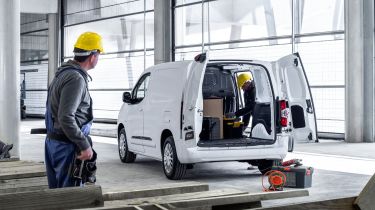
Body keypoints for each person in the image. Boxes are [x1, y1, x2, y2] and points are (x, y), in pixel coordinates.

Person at [44, 32, 103, 188]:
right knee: (71, 198)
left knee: (59, 196)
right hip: (66, 146)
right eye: (99, 54)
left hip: (55, 143)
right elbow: (66, 117)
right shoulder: (75, 78)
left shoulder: (62, 74)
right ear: (93, 56)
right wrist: (84, 145)